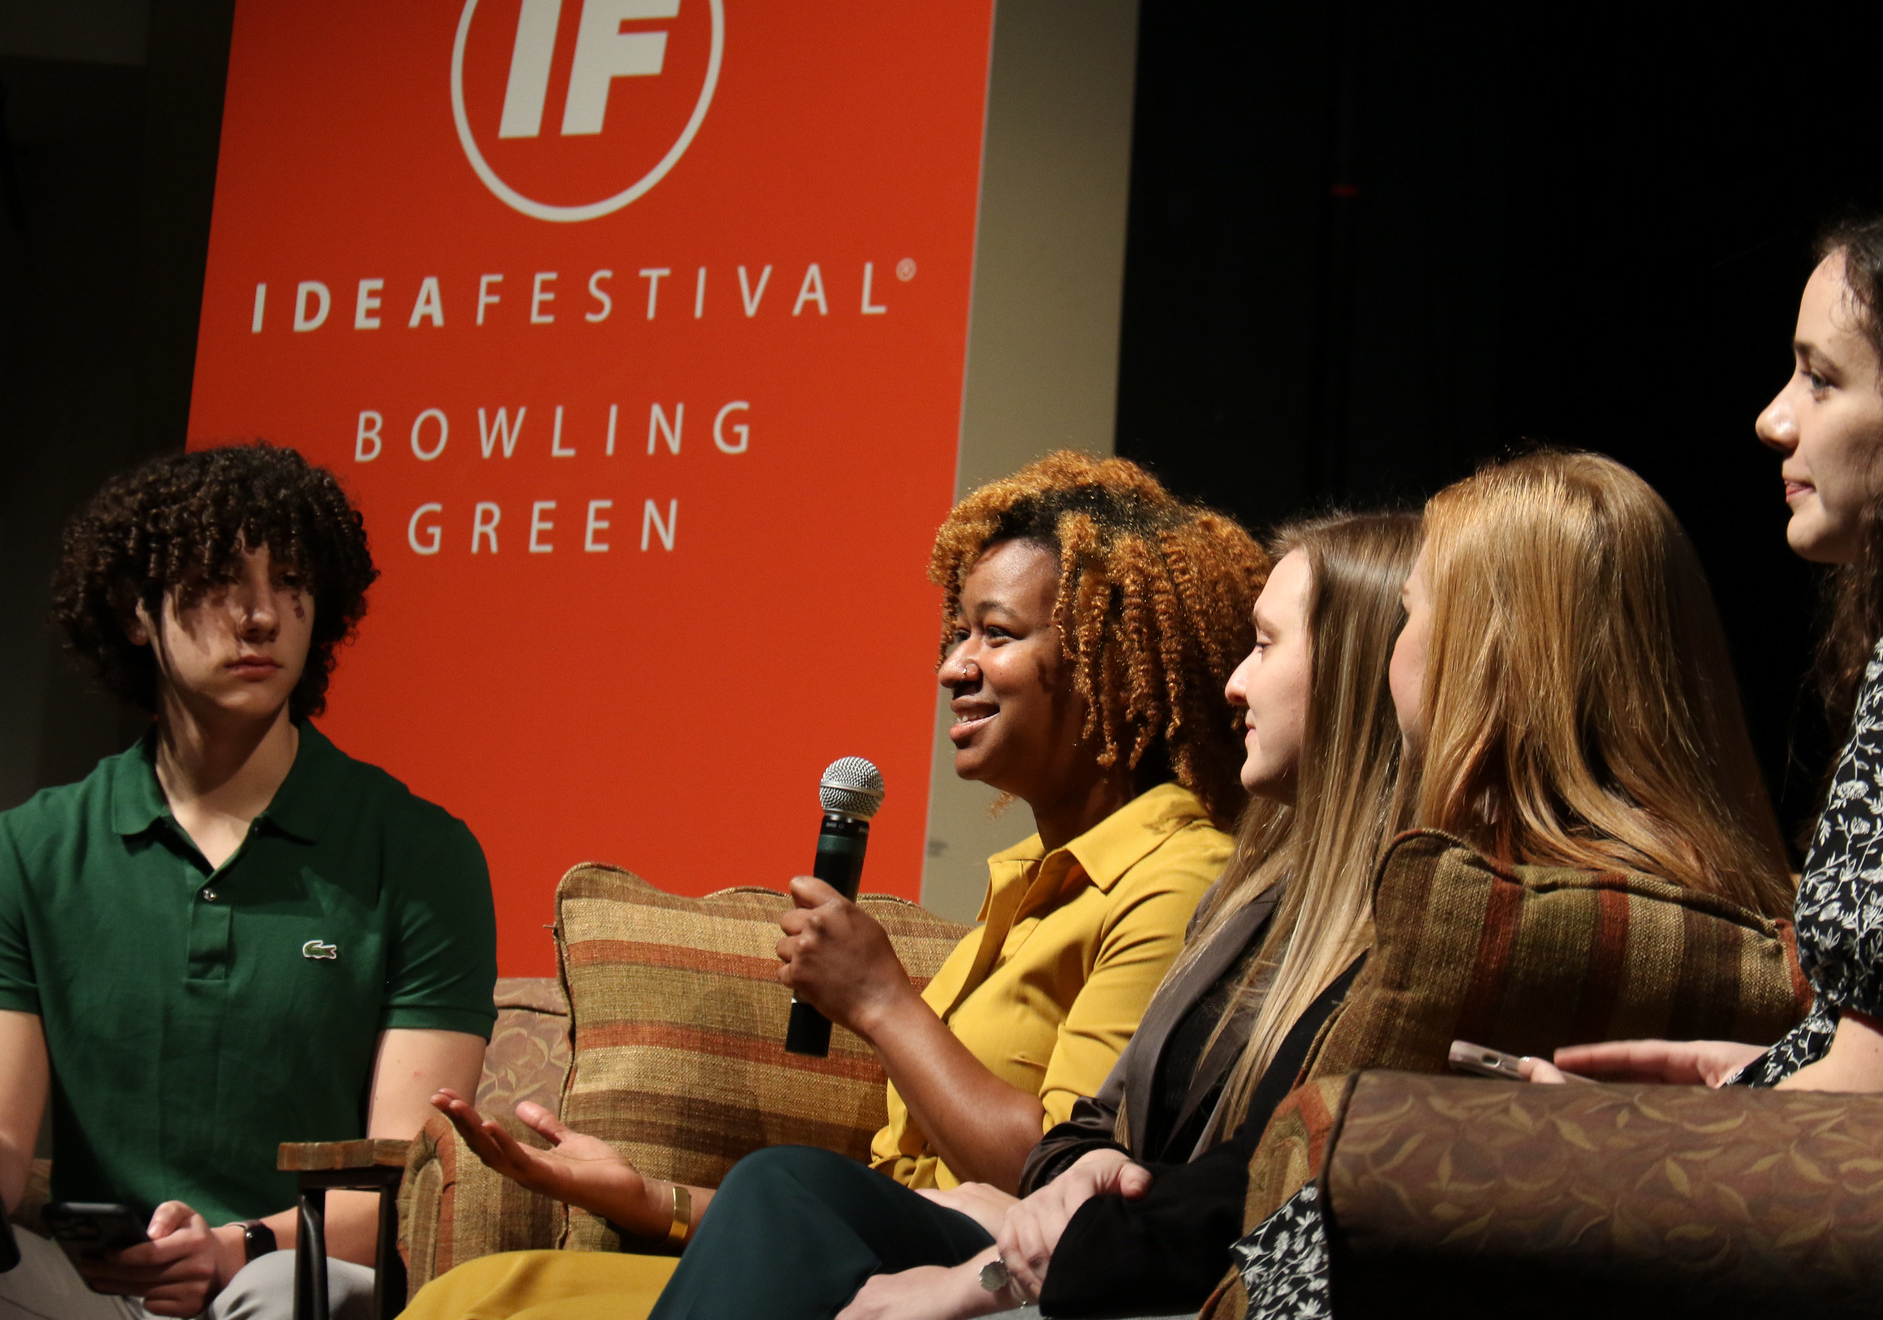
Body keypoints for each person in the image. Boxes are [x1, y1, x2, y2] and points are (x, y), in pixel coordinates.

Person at [853, 451, 1795, 1320]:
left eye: (1417, 613)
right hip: (1111, 1252)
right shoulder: (1728, 915)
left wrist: (995, 1263)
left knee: (794, 1212)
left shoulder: (1492, 910)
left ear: (1492, 650)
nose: (1232, 683)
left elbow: (1288, 1185)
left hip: (1139, 1277)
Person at [403, 452, 1265, 1318]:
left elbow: (1065, 1175)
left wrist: (882, 999)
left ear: (1104, 662)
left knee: (785, 1177)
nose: (953, 668)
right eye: (955, 635)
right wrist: (648, 1197)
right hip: (904, 1252)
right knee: (487, 1296)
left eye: (995, 635)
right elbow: (870, 1205)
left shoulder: (1175, 875)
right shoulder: (1022, 896)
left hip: (1017, 1266)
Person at [1549, 206, 1883, 1096]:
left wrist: (1614, 1152)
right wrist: (1772, 1069)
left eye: (1820, 379)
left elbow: (1879, 1110)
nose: (1772, 421)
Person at [0, 444, 499, 1320]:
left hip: (290, 1272)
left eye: (292, 580)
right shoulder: (31, 850)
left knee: (276, 1293)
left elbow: (400, 1185)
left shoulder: (418, 852)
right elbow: (5, 1141)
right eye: (217, 581)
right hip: (95, 1287)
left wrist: (233, 1245)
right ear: (134, 612)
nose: (262, 615)